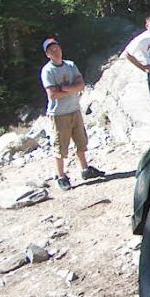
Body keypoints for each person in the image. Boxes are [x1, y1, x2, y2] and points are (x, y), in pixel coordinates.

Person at [40, 38, 105, 189]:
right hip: (58, 114)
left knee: (81, 141)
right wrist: (71, 88)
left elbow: (81, 85)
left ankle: (85, 169)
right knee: (60, 147)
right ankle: (61, 176)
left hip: (74, 109)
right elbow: (52, 95)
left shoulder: (70, 65)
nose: (56, 51)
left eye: (57, 48)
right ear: (47, 54)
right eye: (52, 50)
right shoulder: (47, 71)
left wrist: (63, 88)